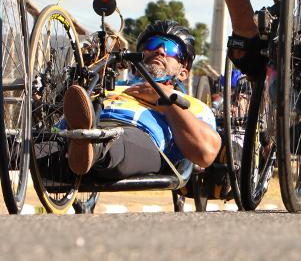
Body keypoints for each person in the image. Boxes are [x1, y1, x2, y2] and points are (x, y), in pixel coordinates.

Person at [57, 21, 221, 180]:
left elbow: (206, 152)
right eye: (152, 44)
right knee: (41, 148)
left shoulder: (190, 104)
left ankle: (92, 145)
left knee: (119, 140)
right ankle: (79, 143)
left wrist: (165, 100)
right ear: (137, 57)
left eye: (171, 48)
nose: (160, 51)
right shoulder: (107, 86)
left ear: (183, 72)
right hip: (73, 135)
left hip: (137, 139)